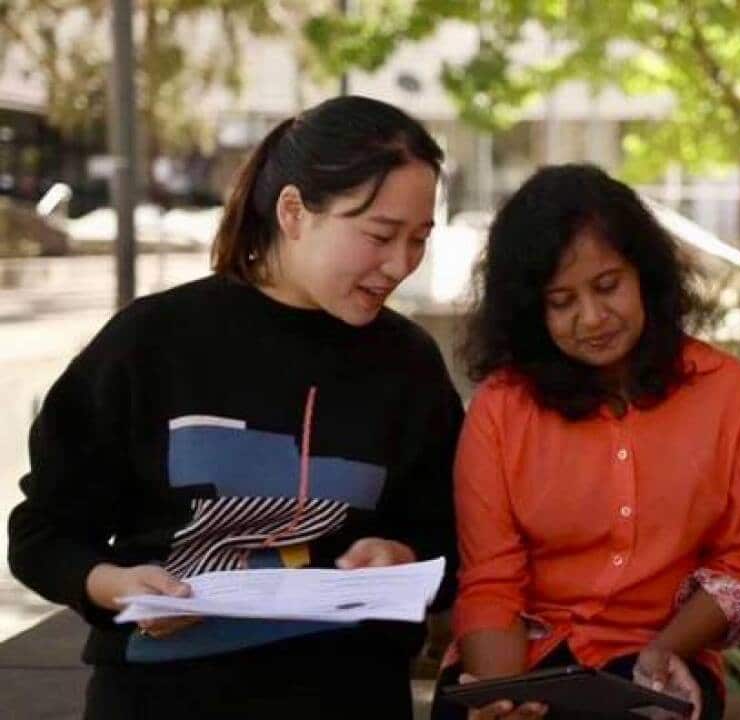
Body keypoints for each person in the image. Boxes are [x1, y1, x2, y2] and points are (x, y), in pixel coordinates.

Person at [7, 95, 462, 719]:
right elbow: (43, 534)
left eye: (419, 240)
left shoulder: (409, 363)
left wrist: (402, 556)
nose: (401, 264)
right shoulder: (154, 341)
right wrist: (114, 586)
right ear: (293, 211)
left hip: (348, 695)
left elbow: (452, 537)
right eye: (380, 235)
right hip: (162, 699)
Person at [434, 164, 740, 720]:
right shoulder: (500, 409)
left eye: (607, 286)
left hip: (661, 655)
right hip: (520, 654)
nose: (592, 318)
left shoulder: (728, 392)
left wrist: (665, 655)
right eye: (561, 301)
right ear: (531, 310)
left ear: (645, 273)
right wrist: (502, 698)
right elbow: (491, 582)